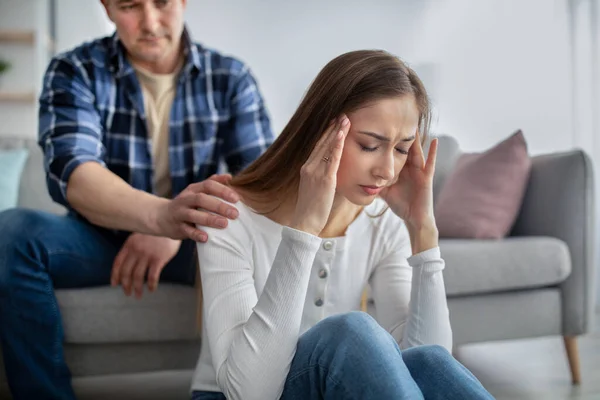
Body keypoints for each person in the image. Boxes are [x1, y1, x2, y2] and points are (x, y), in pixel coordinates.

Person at [0, 0, 273, 398]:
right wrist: (160, 217)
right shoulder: (74, 70)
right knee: (11, 233)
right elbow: (73, 171)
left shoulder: (232, 79)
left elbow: (260, 184)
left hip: (199, 242)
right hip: (99, 239)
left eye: (162, 3)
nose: (150, 22)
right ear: (107, 8)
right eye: (130, 5)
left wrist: (175, 229)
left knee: (260, 241)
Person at [190, 50, 495, 400]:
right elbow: (251, 391)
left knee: (429, 363)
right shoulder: (228, 215)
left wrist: (422, 229)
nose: (387, 170)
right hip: (233, 395)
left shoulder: (384, 223)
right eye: (370, 145)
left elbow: (426, 362)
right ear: (321, 132)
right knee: (352, 331)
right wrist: (304, 229)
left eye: (401, 149)